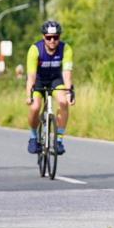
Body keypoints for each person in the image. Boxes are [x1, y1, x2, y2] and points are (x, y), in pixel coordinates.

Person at [25, 20, 74, 156]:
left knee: (63, 102)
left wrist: (69, 92)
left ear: (59, 37)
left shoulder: (66, 49)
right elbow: (31, 76)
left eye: (55, 37)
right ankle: (33, 138)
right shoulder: (35, 50)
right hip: (39, 80)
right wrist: (29, 95)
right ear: (43, 37)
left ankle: (58, 141)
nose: (52, 40)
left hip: (56, 79)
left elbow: (67, 73)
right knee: (35, 107)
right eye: (48, 37)